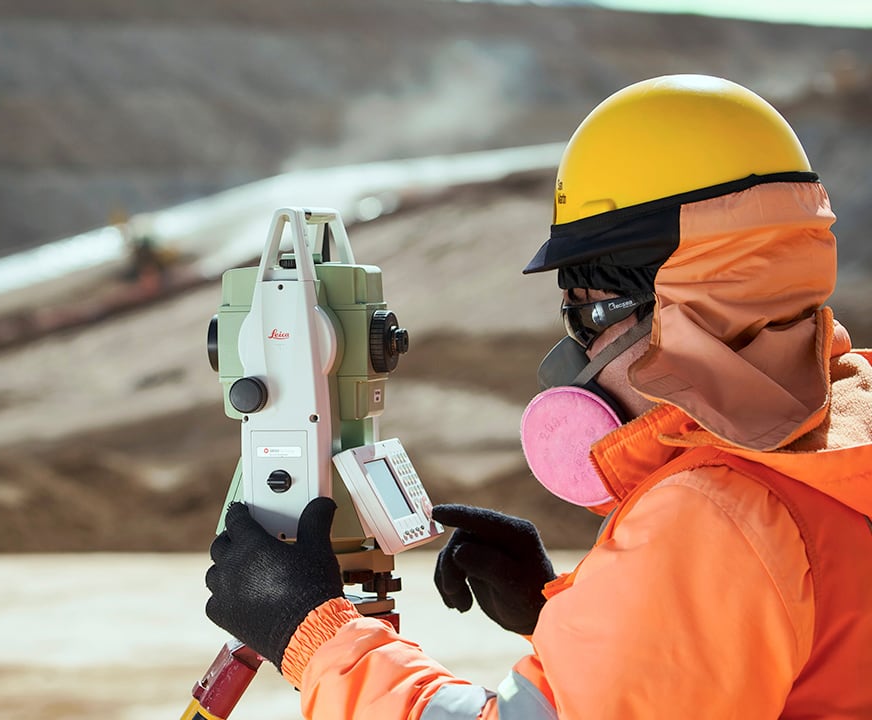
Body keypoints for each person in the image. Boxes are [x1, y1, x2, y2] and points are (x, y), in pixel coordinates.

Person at [203, 74, 872, 718]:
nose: (570, 363)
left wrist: (314, 637)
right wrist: (570, 617)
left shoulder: (717, 513)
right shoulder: (843, 450)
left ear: (683, 308)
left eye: (585, 317)